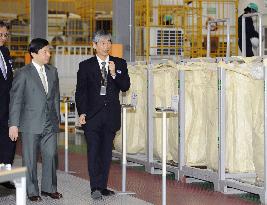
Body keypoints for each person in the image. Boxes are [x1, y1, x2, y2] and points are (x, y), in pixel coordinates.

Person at [75, 30, 130, 200]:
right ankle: (95, 187)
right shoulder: (85, 66)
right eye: (103, 43)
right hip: (92, 116)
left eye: (109, 43)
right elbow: (81, 92)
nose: (107, 46)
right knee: (93, 151)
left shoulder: (119, 63)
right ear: (95, 45)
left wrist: (114, 73)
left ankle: (103, 186)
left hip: (110, 116)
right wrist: (82, 112)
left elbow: (125, 86)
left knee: (106, 153)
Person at [8, 38, 63, 202]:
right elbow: (15, 100)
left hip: (50, 123)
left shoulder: (53, 71)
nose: (48, 54)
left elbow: (55, 98)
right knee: (30, 159)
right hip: (30, 123)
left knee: (51, 155)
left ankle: (49, 188)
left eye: (49, 51)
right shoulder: (23, 73)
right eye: (45, 51)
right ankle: (32, 191)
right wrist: (13, 125)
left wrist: (57, 118)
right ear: (34, 53)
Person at [0, 21, 16, 190]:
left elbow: (8, 79)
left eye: (5, 35)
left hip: (7, 106)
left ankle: (5, 176)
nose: (3, 38)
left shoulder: (5, 52)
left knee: (8, 143)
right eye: (0, 35)